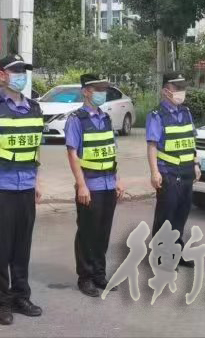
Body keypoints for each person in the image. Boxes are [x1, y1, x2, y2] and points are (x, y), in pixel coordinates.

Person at [0, 54, 44, 326]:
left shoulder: (34, 108)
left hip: (26, 186)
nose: (21, 76)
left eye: (23, 71)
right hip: (0, 188)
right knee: (2, 249)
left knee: (22, 248)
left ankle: (21, 297)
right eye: (15, 71)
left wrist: (37, 181)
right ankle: (3, 302)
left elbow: (34, 148)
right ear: (1, 75)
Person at [64, 74, 125, 297]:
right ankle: (85, 278)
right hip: (90, 185)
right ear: (86, 91)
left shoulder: (105, 118)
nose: (102, 93)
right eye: (97, 89)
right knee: (87, 234)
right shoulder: (76, 120)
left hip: (108, 184)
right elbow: (72, 154)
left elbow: (111, 151)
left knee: (103, 233)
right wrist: (81, 185)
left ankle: (100, 274)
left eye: (104, 89)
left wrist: (117, 179)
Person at [146, 72, 200, 268]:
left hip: (186, 171)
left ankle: (177, 253)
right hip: (168, 172)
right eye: (176, 88)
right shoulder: (157, 115)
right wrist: (154, 172)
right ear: (165, 91)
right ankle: (161, 256)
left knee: (181, 215)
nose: (180, 91)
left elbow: (191, 140)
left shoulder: (186, 112)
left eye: (182, 87)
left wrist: (195, 163)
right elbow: (152, 145)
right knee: (166, 217)